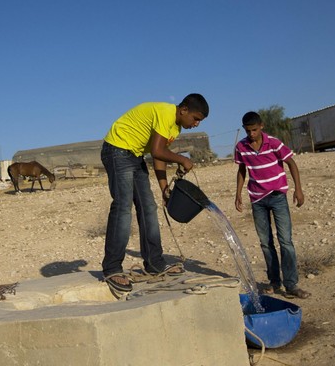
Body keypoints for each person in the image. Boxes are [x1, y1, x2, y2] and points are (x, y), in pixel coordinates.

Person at [101, 93, 209, 297]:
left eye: (199, 121)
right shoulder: (165, 113)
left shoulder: (174, 127)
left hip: (134, 155)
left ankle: (155, 264)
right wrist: (182, 160)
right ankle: (112, 268)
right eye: (195, 118)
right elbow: (159, 151)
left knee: (148, 207)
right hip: (117, 149)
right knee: (123, 207)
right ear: (184, 110)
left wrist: (164, 189)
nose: (196, 124)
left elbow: (158, 155)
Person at [234, 111, 310, 299]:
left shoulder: (274, 143)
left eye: (254, 130)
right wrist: (238, 194)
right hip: (257, 199)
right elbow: (242, 170)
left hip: (277, 196)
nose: (251, 134)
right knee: (265, 243)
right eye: (248, 130)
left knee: (285, 241)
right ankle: (274, 282)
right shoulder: (241, 147)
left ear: (261, 126)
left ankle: (291, 284)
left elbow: (291, 163)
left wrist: (298, 189)